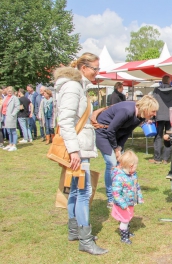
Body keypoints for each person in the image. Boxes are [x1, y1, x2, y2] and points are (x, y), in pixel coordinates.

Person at [54, 52, 107, 255]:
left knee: (76, 190)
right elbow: (65, 121)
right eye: (95, 68)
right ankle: (85, 240)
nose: (97, 72)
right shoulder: (73, 87)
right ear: (83, 68)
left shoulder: (77, 86)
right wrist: (74, 151)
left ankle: (74, 231)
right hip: (77, 150)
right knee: (83, 192)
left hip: (79, 148)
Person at [94, 97, 158, 209]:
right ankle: (111, 198)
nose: (155, 114)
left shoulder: (139, 116)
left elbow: (127, 131)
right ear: (146, 108)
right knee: (112, 163)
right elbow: (111, 130)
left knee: (122, 164)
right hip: (103, 133)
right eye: (153, 111)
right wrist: (115, 148)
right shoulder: (127, 111)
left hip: (115, 135)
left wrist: (120, 147)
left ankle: (120, 193)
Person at [111, 150, 143, 244]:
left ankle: (127, 232)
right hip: (122, 204)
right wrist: (123, 203)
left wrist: (139, 197)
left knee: (128, 217)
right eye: (136, 165)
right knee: (125, 220)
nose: (136, 168)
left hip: (129, 201)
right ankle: (124, 237)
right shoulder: (119, 177)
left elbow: (136, 186)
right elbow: (116, 193)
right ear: (131, 166)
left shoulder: (132, 174)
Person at [151, 75, 172, 164]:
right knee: (170, 137)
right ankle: (165, 158)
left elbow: (152, 103)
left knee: (158, 137)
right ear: (169, 81)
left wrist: (152, 116)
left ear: (162, 81)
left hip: (159, 116)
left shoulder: (156, 90)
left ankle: (157, 158)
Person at [1, 87, 20, 152]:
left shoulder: (14, 98)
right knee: (8, 131)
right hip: (4, 115)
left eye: (11, 91)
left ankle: (14, 145)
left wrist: (13, 114)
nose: (9, 92)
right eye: (8, 91)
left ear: (13, 91)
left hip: (10, 116)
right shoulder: (5, 97)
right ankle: (10, 143)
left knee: (13, 131)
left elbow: (17, 107)